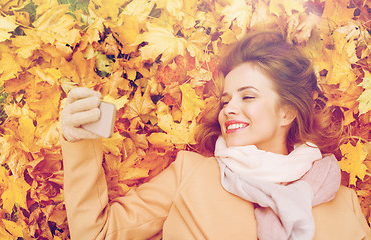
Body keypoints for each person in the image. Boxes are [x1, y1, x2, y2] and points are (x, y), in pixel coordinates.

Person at [60, 30, 371, 240]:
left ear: (286, 113)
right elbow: (97, 233)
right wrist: (78, 141)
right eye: (225, 101)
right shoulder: (190, 174)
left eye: (247, 97)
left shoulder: (342, 202)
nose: (229, 109)